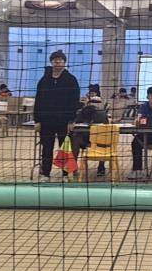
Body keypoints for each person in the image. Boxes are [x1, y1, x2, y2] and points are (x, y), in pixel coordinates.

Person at [34, 50, 80, 180]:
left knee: (64, 148)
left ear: (64, 63)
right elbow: (38, 100)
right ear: (51, 62)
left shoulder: (71, 80)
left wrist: (72, 120)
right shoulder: (44, 80)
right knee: (46, 148)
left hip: (64, 121)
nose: (58, 62)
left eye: (60, 60)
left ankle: (66, 174)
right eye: (55, 60)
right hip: (46, 121)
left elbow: (74, 101)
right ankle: (45, 173)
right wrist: (37, 120)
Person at [72, 87, 108, 177]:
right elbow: (75, 125)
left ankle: (101, 166)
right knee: (75, 139)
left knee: (105, 138)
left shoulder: (102, 115)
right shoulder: (81, 113)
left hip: (99, 139)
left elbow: (107, 128)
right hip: (85, 138)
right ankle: (73, 167)